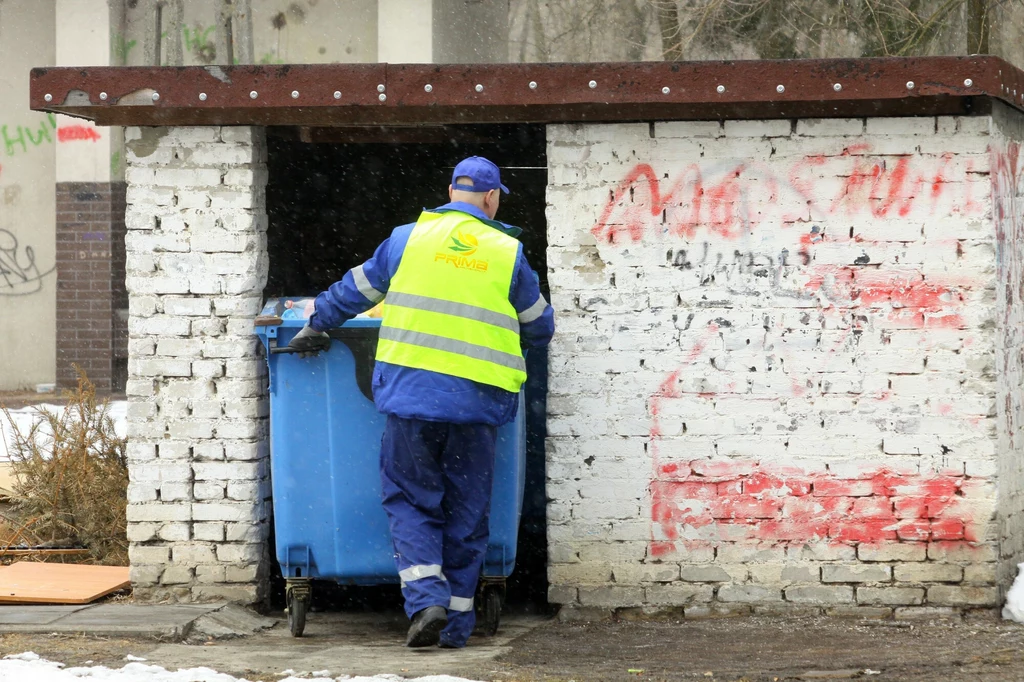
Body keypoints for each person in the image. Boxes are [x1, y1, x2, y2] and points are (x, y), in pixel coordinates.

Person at [287, 156, 554, 649]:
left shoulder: (407, 238)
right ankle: (454, 625)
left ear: (451, 191)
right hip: (477, 403)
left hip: (412, 400)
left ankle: (425, 598)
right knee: (468, 511)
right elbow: (540, 325)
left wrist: (316, 322)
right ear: (492, 199)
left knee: (411, 499)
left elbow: (354, 291)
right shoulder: (507, 251)